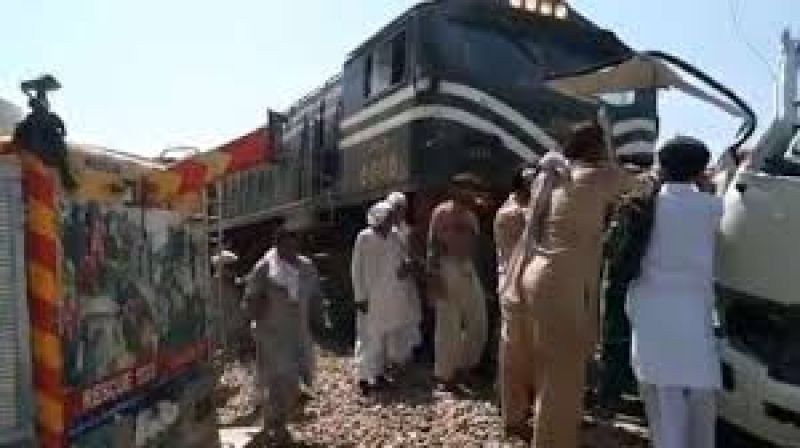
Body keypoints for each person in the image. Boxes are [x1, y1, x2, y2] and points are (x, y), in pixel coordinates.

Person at [506, 122, 639, 447]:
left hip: (538, 275)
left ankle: (538, 428)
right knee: (563, 374)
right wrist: (615, 158)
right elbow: (640, 184)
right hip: (561, 283)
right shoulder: (595, 177)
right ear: (596, 148)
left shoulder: (552, 177)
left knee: (547, 364)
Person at [626, 137, 722, 448]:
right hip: (694, 315)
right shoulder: (711, 207)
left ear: (662, 167)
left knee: (662, 398)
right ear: (700, 171)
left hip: (650, 309)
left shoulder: (645, 205)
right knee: (701, 397)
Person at [243, 223, 320, 444]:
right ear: (277, 246)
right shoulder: (265, 268)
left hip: (299, 332)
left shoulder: (306, 267)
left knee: (299, 375)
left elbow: (315, 295)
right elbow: (249, 299)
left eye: (294, 246)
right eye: (286, 246)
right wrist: (255, 310)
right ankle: (274, 424)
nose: (290, 251)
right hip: (272, 334)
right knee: (278, 379)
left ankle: (282, 420)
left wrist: (318, 317)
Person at [427, 173, 488, 390]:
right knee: (448, 325)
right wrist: (433, 276)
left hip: (467, 268)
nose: (469, 192)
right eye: (465, 187)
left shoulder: (471, 216)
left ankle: (465, 366)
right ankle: (445, 374)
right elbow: (433, 246)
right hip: (447, 266)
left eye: (472, 188)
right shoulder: (441, 212)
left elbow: (475, 246)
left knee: (478, 322)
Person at [352, 201, 416, 394]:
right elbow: (356, 269)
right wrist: (360, 296)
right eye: (387, 218)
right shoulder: (364, 237)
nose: (390, 221)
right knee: (369, 338)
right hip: (370, 298)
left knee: (386, 338)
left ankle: (379, 375)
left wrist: (406, 268)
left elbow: (403, 261)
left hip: (392, 297)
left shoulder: (395, 236)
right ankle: (363, 378)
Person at [494, 165, 538, 437]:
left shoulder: (525, 210)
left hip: (527, 288)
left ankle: (524, 407)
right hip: (515, 288)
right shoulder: (512, 213)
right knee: (515, 354)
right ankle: (513, 416)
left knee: (528, 352)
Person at [384, 192, 423, 366]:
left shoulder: (407, 230)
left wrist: (413, 263)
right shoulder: (382, 231)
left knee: (408, 317)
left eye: (402, 208)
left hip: (405, 279)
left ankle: (404, 356)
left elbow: (412, 252)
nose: (399, 212)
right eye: (396, 208)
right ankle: (391, 357)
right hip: (388, 281)